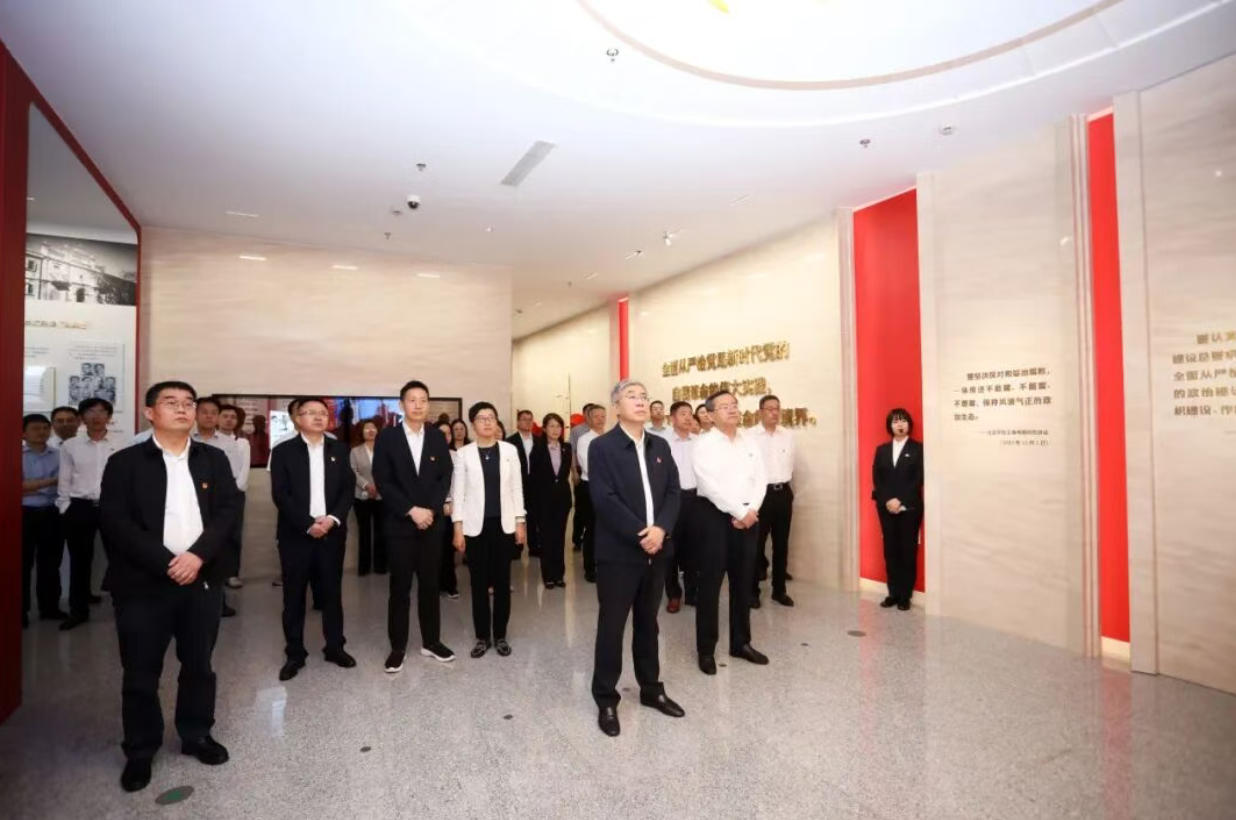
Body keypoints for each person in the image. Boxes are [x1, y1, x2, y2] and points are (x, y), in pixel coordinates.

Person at [99, 381, 240, 792]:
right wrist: (167, 563)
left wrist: (197, 557)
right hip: (143, 584)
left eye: (188, 403)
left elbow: (228, 511)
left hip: (201, 579)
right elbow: (116, 521)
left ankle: (196, 734)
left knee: (199, 665)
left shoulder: (212, 459)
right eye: (171, 402)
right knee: (140, 672)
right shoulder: (125, 462)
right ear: (150, 413)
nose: (183, 409)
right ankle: (141, 749)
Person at [588, 380, 684, 737]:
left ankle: (651, 689)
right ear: (616, 406)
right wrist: (641, 533)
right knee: (612, 627)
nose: (641, 401)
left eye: (644, 396)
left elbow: (673, 492)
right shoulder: (602, 447)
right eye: (632, 396)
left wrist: (661, 529)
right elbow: (604, 498)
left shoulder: (660, 445)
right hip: (619, 553)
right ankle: (606, 698)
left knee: (648, 623)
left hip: (657, 551)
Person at [371, 380, 455, 672]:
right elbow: (383, 479)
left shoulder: (436, 437)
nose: (418, 405)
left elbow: (445, 476)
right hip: (400, 524)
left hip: (431, 523)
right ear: (401, 404)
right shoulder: (388, 437)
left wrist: (429, 510)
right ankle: (398, 647)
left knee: (431, 585)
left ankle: (431, 641)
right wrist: (411, 510)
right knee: (400, 588)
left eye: (423, 400)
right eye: (412, 400)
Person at [269, 397, 356, 681]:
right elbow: (281, 494)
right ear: (297, 418)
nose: (319, 417)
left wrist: (332, 519)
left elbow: (347, 489)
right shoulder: (283, 451)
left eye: (323, 413)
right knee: (294, 596)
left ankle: (335, 647)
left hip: (332, 533)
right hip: (296, 535)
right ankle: (295, 653)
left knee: (332, 593)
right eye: (311, 413)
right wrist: (308, 524)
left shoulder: (339, 449)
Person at [692, 390, 769, 674]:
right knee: (710, 585)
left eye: (734, 405)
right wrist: (739, 511)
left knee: (743, 582)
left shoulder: (749, 440)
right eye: (724, 406)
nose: (732, 409)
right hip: (715, 517)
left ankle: (741, 642)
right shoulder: (704, 444)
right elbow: (709, 485)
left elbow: (761, 478)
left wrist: (751, 511)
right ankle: (706, 650)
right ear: (710, 415)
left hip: (749, 517)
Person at [452, 402, 526, 658]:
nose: (487, 422)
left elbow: (517, 488)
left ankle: (501, 635)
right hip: (475, 528)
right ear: (473, 424)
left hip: (504, 526)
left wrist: (520, 522)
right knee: (479, 583)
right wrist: (458, 528)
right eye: (481, 418)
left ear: (496, 422)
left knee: (503, 582)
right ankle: (482, 636)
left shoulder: (509, 450)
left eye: (491, 417)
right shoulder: (464, 454)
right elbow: (458, 493)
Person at [56, 396, 128, 629]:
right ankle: (78, 611)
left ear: (109, 417)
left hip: (113, 507)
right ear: (82, 418)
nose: (96, 416)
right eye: (90, 411)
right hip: (80, 506)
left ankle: (124, 608)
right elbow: (65, 478)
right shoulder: (70, 445)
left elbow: (129, 478)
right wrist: (65, 506)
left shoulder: (122, 443)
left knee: (120, 559)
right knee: (80, 561)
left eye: (101, 411)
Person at [193, 398, 245, 617]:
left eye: (213, 412)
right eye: (204, 412)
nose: (209, 416)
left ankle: (218, 601)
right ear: (195, 414)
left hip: (217, 504)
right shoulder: (187, 439)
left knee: (218, 550)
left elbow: (233, 475)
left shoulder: (228, 444)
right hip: (191, 502)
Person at [872, 408, 924, 611]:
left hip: (909, 507)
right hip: (886, 508)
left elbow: (918, 479)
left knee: (907, 551)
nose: (899, 424)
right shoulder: (882, 450)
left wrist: (899, 500)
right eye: (895, 421)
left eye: (903, 421)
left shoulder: (918, 449)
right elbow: (878, 479)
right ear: (890, 426)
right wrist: (888, 500)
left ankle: (905, 595)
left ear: (909, 424)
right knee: (890, 550)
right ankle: (892, 593)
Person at [750, 394, 797, 608]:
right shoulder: (749, 436)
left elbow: (790, 465)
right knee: (756, 545)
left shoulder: (787, 435)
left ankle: (779, 590)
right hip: (760, 495)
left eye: (777, 408)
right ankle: (752, 591)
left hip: (783, 493)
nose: (774, 412)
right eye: (769, 409)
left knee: (781, 544)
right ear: (760, 412)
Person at [22, 414, 64, 627]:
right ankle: (20, 611)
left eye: (45, 428)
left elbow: (65, 485)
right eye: (35, 428)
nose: (42, 432)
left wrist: (32, 485)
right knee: (22, 564)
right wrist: (51, 481)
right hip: (23, 514)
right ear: (23, 433)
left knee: (50, 563)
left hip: (52, 513)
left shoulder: (59, 455)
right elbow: (16, 487)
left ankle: (50, 608)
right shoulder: (14, 455)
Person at [529, 412, 572, 588]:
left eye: (558, 426)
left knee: (560, 538)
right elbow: (533, 478)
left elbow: (564, 474)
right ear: (545, 429)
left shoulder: (567, 448)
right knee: (546, 538)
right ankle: (548, 575)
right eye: (552, 426)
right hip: (543, 500)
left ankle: (559, 575)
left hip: (562, 499)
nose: (555, 430)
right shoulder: (537, 449)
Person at [663, 401, 699, 613]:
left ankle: (693, 592)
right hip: (672, 500)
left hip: (696, 500)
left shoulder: (699, 442)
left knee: (694, 548)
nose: (688, 417)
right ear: (672, 418)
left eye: (690, 414)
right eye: (683, 413)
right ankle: (673, 594)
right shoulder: (663, 443)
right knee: (670, 550)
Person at [217, 404, 251, 590]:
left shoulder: (242, 442)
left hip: (234, 492)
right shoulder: (207, 440)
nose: (229, 420)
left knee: (233, 534)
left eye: (233, 417)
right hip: (210, 492)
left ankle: (232, 573)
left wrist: (235, 489)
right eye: (225, 416)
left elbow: (244, 469)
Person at [575, 403, 607, 583]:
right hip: (591, 488)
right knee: (592, 529)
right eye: (596, 416)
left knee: (608, 528)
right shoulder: (585, 439)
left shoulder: (611, 437)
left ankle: (605, 563)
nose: (600, 419)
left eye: (603, 416)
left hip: (611, 489)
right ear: (589, 418)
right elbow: (588, 466)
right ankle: (590, 568)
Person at [349, 419, 385, 576]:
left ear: (377, 431)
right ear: (361, 432)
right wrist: (366, 485)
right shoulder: (355, 451)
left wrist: (378, 486)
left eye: (373, 428)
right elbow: (352, 472)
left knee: (381, 532)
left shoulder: (384, 449)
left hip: (382, 496)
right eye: (366, 428)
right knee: (364, 532)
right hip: (361, 496)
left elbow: (389, 470)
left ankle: (380, 566)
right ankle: (364, 568)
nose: (370, 431)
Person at [506, 409, 540, 558]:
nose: (527, 422)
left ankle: (534, 546)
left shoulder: (539, 440)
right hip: (516, 484)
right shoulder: (510, 441)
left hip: (535, 485)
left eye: (530, 419)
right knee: (516, 516)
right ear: (518, 422)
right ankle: (516, 547)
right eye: (524, 419)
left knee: (533, 517)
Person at [436, 421, 460, 599]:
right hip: (432, 508)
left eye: (448, 433)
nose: (445, 437)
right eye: (441, 433)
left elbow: (459, 483)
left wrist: (451, 502)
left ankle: (450, 584)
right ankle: (434, 585)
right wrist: (440, 502)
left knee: (448, 549)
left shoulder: (456, 455)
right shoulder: (427, 455)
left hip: (452, 508)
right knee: (433, 550)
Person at [569, 403, 594, 551]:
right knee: (580, 507)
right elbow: (572, 451)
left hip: (597, 475)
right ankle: (577, 539)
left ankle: (591, 536)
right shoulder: (577, 430)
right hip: (580, 471)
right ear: (584, 414)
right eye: (589, 412)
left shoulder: (600, 430)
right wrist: (574, 471)